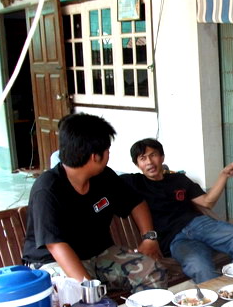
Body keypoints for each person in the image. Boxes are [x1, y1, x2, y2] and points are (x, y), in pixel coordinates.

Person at [22, 114, 167, 293]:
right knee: (76, 295)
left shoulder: (104, 176)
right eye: (107, 150)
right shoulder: (47, 189)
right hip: (54, 261)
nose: (109, 154)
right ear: (94, 157)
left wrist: (149, 238)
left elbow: (136, 202)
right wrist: (89, 289)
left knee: (152, 272)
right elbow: (56, 246)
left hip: (99, 254)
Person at [121, 138, 233, 283]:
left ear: (162, 157)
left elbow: (207, 202)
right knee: (198, 265)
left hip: (200, 224)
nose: (149, 162)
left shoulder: (178, 179)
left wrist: (224, 175)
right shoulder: (133, 182)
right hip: (175, 240)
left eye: (153, 155)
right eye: (143, 158)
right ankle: (218, 296)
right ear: (137, 164)